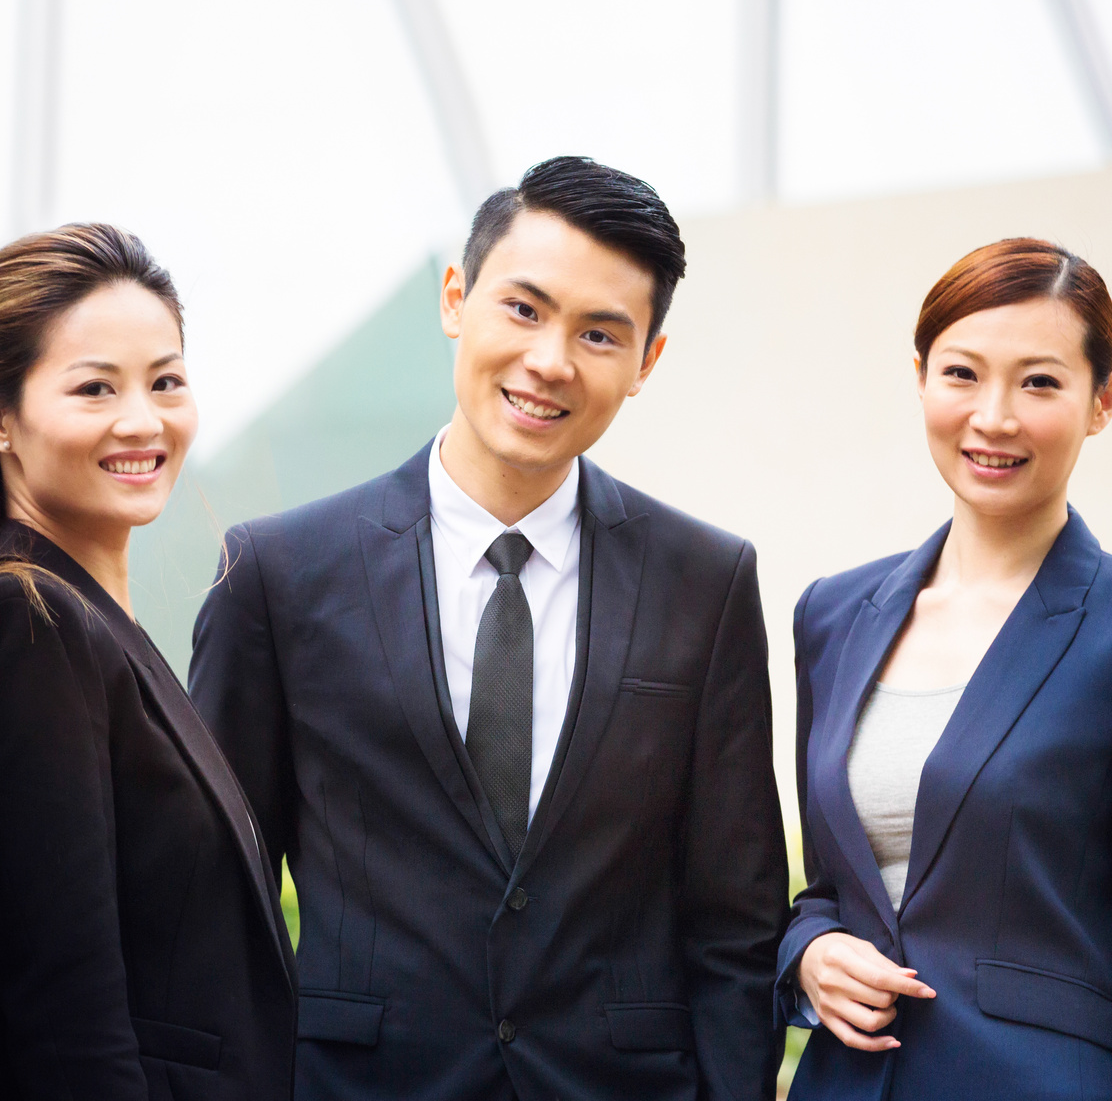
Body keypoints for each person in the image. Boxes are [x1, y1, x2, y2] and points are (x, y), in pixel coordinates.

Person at [190, 156, 789, 1101]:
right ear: (455, 299)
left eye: (600, 333)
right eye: (523, 309)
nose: (551, 361)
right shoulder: (280, 573)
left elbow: (735, 919)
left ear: (647, 362)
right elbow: (219, 895)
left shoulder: (706, 582)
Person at [777, 238, 1112, 1099]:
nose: (994, 417)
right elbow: (831, 888)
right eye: (961, 374)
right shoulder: (832, 617)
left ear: (1103, 401)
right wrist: (810, 950)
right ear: (920, 378)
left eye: (1039, 382)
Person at [0, 223, 295, 1101]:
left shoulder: (91, 622)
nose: (142, 420)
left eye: (165, 381)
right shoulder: (27, 621)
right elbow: (64, 1012)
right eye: (95, 388)